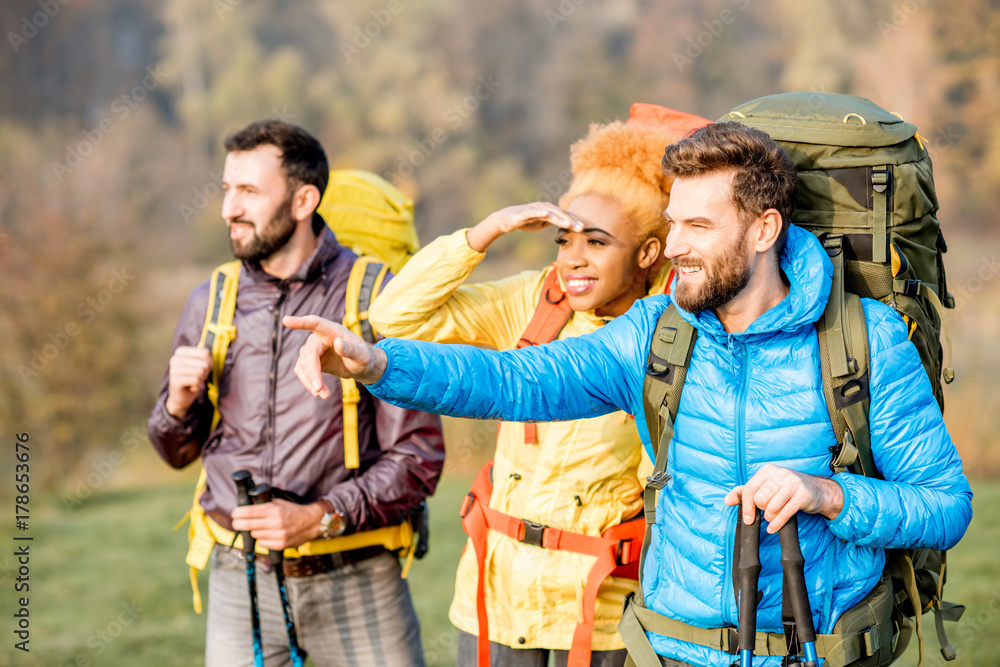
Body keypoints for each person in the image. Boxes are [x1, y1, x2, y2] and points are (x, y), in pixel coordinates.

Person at [284, 122, 972, 667]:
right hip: (668, 648)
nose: (672, 246)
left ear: (765, 230)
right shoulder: (658, 331)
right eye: (671, 223)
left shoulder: (865, 339)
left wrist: (831, 496)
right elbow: (514, 380)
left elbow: (944, 507)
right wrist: (377, 361)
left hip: (816, 650)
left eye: (697, 227)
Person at [367, 104, 711, 667]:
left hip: (603, 614)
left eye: (596, 243)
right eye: (563, 240)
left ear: (649, 252)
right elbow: (394, 318)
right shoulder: (535, 302)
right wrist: (487, 232)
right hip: (494, 601)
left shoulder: (674, 337)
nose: (572, 260)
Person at [147, 119, 445, 667]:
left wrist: (318, 516)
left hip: (357, 577)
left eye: (249, 192)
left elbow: (418, 459)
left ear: (304, 199)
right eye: (226, 189)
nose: (228, 209)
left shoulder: (376, 298)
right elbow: (176, 452)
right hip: (240, 582)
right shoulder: (210, 300)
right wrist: (177, 408)